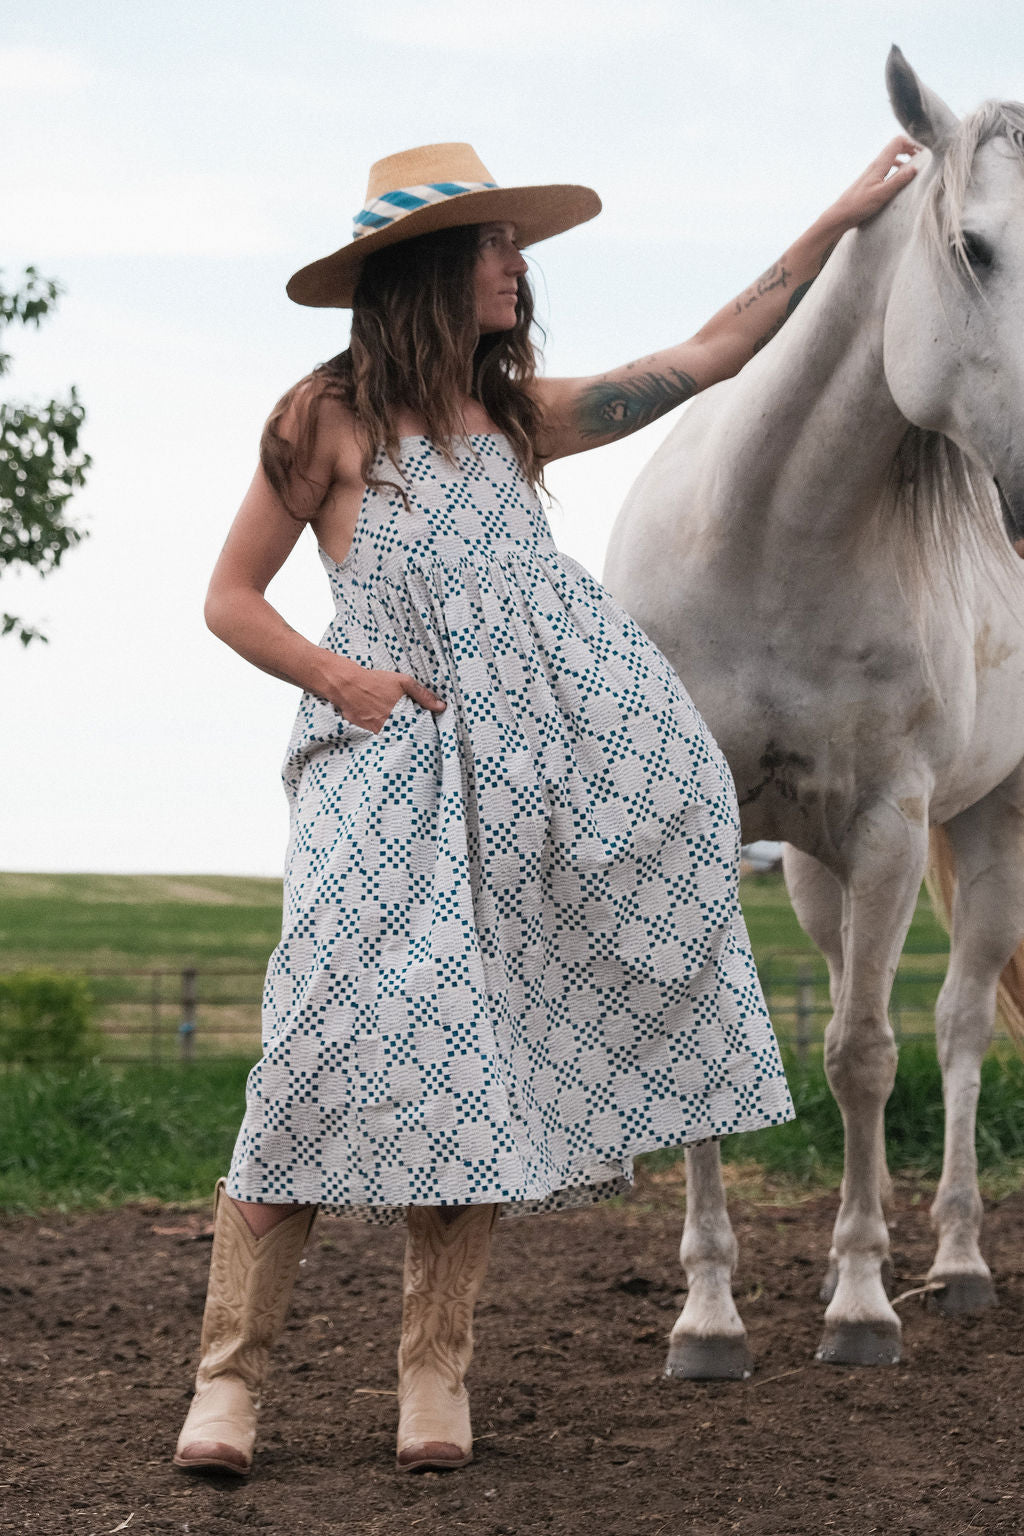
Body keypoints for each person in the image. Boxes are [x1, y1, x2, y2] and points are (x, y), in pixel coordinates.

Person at [174, 136, 918, 1479]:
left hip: (517, 788)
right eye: (497, 245)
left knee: (478, 1067)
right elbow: (230, 595)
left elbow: (711, 354)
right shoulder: (321, 420)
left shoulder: (518, 422)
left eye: (515, 247)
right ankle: (229, 1384)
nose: (520, 268)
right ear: (431, 267)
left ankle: (433, 1376)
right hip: (374, 785)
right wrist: (340, 675)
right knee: (304, 1062)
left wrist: (845, 218)